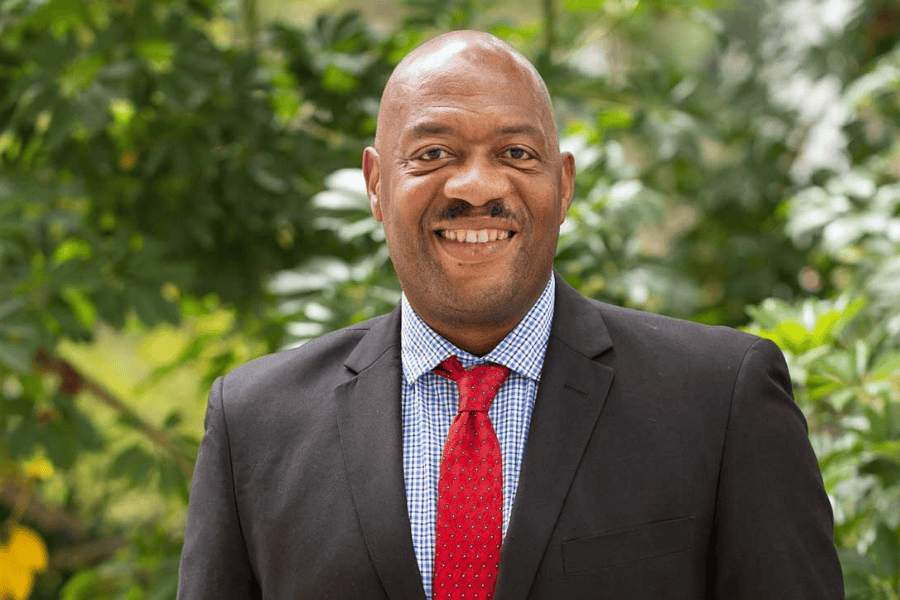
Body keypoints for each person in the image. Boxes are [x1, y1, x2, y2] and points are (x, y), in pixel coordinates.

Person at [177, 31, 844, 600]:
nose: (477, 186)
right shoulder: (255, 424)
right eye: (433, 154)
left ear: (565, 184)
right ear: (377, 185)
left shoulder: (720, 400)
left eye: (516, 154)